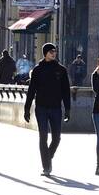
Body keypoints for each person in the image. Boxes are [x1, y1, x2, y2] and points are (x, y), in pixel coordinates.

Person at [24, 43, 71, 176]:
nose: (53, 53)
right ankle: (46, 166)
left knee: (56, 138)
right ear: (45, 53)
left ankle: (47, 157)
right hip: (41, 108)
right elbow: (31, 90)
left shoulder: (61, 70)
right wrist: (27, 108)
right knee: (43, 136)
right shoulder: (38, 70)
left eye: (54, 51)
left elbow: (66, 91)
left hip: (56, 108)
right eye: (51, 52)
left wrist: (68, 109)